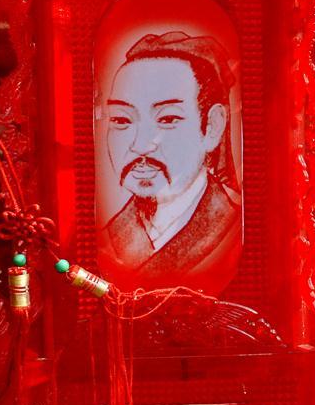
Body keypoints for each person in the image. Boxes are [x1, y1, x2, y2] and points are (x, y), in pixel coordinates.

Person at [98, 31, 241, 291]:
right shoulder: (108, 238)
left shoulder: (234, 225)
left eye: (167, 119)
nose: (140, 144)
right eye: (121, 120)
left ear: (212, 127)